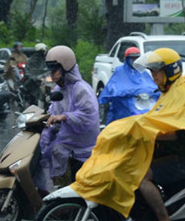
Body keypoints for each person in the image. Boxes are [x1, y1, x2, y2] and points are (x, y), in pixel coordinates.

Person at [133, 48, 185, 221]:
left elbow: (176, 134)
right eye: (151, 71)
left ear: (171, 71)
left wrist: (149, 134)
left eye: (157, 71)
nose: (153, 75)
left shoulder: (181, 94)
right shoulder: (169, 92)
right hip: (176, 152)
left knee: (143, 178)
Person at [36, 45, 100, 192]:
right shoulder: (59, 89)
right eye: (51, 71)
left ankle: (63, 193)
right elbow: (53, 110)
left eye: (55, 70)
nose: (52, 75)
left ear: (65, 67)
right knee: (45, 147)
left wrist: (65, 117)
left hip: (81, 141)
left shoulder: (81, 89)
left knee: (57, 151)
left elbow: (88, 115)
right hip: (66, 137)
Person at [98, 47, 160, 124]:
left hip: (143, 101)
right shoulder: (119, 71)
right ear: (127, 59)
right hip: (126, 103)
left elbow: (152, 86)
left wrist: (150, 91)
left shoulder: (143, 72)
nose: (135, 60)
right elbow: (113, 88)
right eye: (132, 58)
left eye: (137, 58)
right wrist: (130, 91)